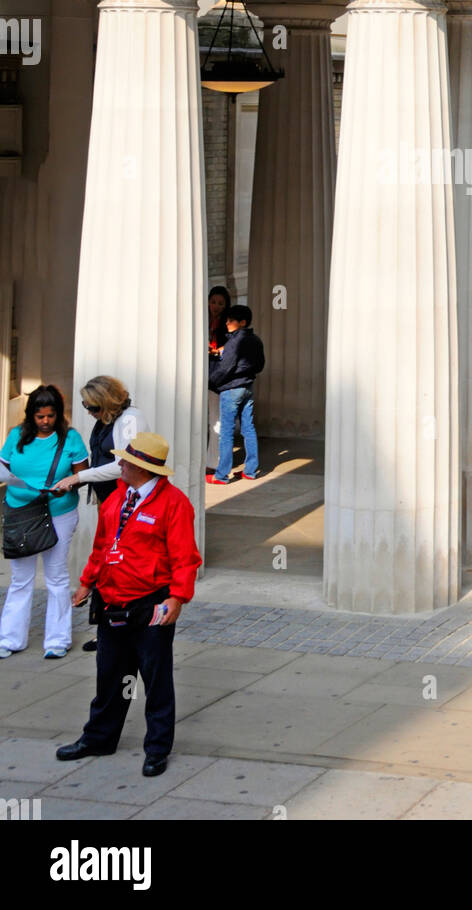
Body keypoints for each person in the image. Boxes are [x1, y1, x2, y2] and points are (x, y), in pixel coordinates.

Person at [56, 433, 201, 778]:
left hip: (151, 603)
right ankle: (99, 738)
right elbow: (103, 545)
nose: (119, 464)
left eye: (125, 461)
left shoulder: (174, 504)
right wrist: (88, 582)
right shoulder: (117, 498)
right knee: (110, 675)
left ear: (142, 468)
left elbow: (185, 558)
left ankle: (157, 749)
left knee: (156, 679)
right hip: (112, 599)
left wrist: (177, 598)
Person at [53, 376, 150, 651]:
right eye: (86, 406)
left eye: (92, 406)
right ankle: (108, 627)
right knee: (109, 558)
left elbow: (124, 464)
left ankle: (120, 626)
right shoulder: (107, 420)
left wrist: (79, 477)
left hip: (124, 498)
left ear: (107, 402)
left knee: (120, 560)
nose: (89, 411)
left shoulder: (130, 419)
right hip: (109, 497)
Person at [0, 385, 88, 660]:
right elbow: (4, 467)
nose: (46, 421)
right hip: (21, 511)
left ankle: (57, 640)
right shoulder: (16, 436)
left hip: (58, 512)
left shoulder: (71, 439)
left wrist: (67, 485)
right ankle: (10, 639)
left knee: (57, 576)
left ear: (59, 415)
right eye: (40, 417)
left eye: (51, 416)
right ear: (31, 416)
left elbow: (82, 475)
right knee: (21, 578)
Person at [207, 304, 265, 484]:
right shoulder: (256, 340)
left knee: (226, 432)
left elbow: (226, 367)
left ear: (242, 322)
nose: (227, 323)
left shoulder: (234, 341)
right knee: (248, 429)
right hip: (247, 386)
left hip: (231, 388)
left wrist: (211, 380)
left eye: (231, 320)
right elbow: (260, 365)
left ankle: (222, 475)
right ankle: (250, 471)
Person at [206, 285, 232, 473]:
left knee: (216, 418)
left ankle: (215, 461)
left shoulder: (227, 326)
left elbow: (231, 348)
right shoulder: (201, 320)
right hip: (201, 371)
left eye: (220, 303)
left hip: (216, 376)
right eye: (213, 302)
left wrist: (215, 350)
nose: (216, 306)